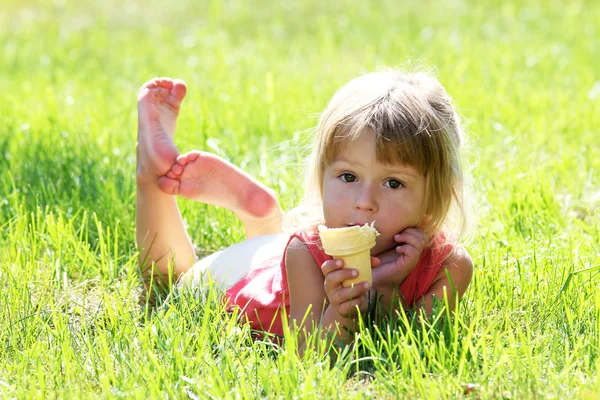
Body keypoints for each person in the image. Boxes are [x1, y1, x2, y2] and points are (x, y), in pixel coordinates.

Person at [136, 70, 474, 351]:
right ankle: (152, 180)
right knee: (171, 280)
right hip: (236, 281)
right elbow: (307, 354)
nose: (365, 201)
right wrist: (341, 311)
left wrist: (384, 289)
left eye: (394, 183)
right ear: (323, 174)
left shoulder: (450, 267)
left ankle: (261, 215)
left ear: (436, 194)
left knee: (272, 244)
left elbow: (409, 344)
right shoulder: (305, 255)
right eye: (348, 176)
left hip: (272, 253)